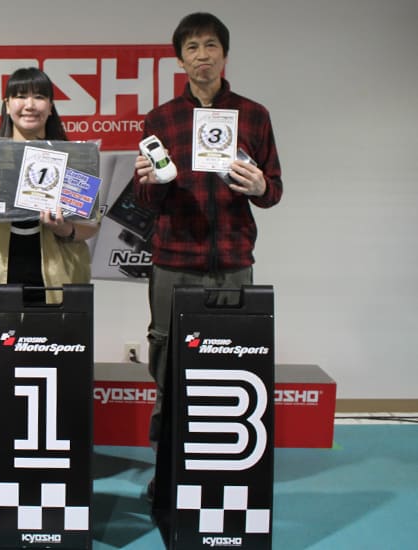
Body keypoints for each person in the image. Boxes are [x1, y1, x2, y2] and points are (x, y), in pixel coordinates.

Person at [133, 12, 283, 501]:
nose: (202, 55)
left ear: (225, 54)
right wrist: (155, 182)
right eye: (192, 47)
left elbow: (273, 189)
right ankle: (166, 472)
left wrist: (260, 186)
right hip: (173, 262)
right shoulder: (160, 120)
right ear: (180, 59)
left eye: (211, 45)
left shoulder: (254, 115)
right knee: (168, 368)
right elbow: (144, 198)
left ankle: (220, 473)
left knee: (228, 369)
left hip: (234, 261)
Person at [0, 67, 99, 493]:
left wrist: (65, 227)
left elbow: (90, 225)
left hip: (57, 287)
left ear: (51, 106)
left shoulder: (73, 156)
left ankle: (57, 465)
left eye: (38, 96)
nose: (29, 105)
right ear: (7, 104)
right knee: (1, 386)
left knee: (58, 382)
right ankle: (5, 466)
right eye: (20, 96)